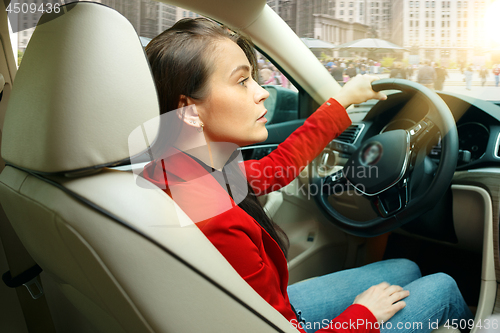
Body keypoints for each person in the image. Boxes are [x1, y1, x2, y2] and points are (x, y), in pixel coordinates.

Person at [143, 18, 473, 333]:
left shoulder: (181, 171)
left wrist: (343, 100)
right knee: (442, 286)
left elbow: (274, 169)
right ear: (189, 111)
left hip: (267, 313)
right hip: (279, 323)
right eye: (243, 81)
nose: (263, 92)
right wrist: (363, 315)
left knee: (407, 269)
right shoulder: (216, 219)